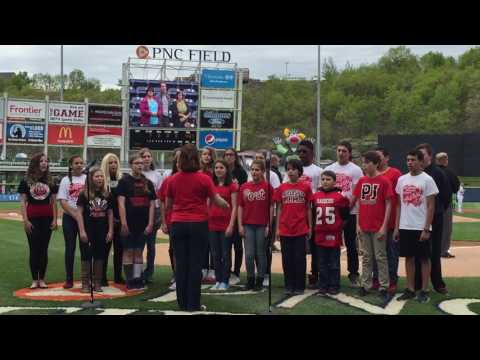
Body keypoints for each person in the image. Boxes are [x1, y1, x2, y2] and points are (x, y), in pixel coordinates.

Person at [166, 144, 229, 312]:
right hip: (199, 224)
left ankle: (182, 302)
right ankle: (193, 304)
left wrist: (169, 222)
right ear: (196, 159)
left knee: (181, 265)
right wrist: (227, 204)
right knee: (195, 266)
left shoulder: (172, 179)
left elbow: (168, 205)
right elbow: (216, 200)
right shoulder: (204, 178)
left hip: (178, 223)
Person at [394, 149, 439, 303]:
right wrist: (396, 227)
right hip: (406, 226)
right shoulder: (401, 180)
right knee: (409, 258)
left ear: (421, 162)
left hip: (421, 227)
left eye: (413, 160)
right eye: (408, 160)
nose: (410, 163)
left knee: (424, 259)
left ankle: (425, 290)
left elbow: (431, 206)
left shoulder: (427, 180)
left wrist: (426, 228)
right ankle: (410, 289)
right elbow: (399, 206)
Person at [352, 151, 393, 301]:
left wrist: (384, 226)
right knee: (367, 257)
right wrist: (357, 224)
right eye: (363, 162)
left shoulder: (384, 181)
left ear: (375, 164)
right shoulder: (362, 181)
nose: (364, 165)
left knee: (381, 257)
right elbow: (358, 203)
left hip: (378, 226)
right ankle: (365, 284)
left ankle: (383, 286)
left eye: (367, 163)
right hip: (364, 225)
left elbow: (389, 204)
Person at [324, 141, 363, 286]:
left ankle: (353, 273)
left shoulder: (356, 170)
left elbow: (355, 193)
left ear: (350, 153)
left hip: (349, 213)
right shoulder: (329, 168)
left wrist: (346, 211)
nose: (341, 153)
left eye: (344, 151)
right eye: (339, 150)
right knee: (330, 243)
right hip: (331, 213)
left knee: (351, 244)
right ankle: (329, 272)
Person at [18, 153, 58, 289]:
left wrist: (55, 219)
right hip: (32, 219)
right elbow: (23, 202)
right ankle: (35, 279)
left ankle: (42, 279)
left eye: (46, 161)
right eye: (41, 161)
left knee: (44, 249)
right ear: (35, 163)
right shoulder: (26, 181)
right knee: (34, 249)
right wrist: (25, 220)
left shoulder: (51, 181)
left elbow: (53, 202)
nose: (44, 163)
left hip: (47, 219)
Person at [117, 155, 156, 290]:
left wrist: (150, 223)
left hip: (143, 224)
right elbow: (121, 204)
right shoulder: (124, 181)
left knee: (139, 252)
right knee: (128, 251)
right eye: (136, 163)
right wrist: (123, 223)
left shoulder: (148, 182)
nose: (139, 165)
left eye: (141, 163)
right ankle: (130, 280)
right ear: (131, 165)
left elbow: (152, 205)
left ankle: (138, 278)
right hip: (128, 223)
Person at [415, 143, 450, 295]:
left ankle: (437, 283)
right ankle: (417, 283)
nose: (420, 158)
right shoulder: (415, 173)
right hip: (418, 218)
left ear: (430, 156)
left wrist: (437, 211)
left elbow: (446, 195)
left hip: (435, 217)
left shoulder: (437, 173)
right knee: (418, 251)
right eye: (418, 155)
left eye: (423, 155)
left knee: (434, 251)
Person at [274, 159, 312, 295]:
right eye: (288, 169)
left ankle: (300, 286)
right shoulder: (282, 188)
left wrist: (310, 227)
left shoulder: (306, 187)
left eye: (293, 169)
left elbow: (308, 208)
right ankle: (288, 285)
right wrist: (278, 228)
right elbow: (279, 208)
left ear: (299, 171)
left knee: (299, 259)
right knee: (287, 259)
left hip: (301, 228)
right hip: (285, 228)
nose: (290, 171)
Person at [238, 159, 274, 290]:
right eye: (252, 169)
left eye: (257, 170)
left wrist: (269, 225)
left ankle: (260, 280)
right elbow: (240, 207)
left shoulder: (267, 187)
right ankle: (250, 279)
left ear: (263, 171)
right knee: (248, 255)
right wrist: (240, 225)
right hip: (248, 224)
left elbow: (271, 207)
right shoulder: (244, 187)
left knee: (260, 253)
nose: (254, 172)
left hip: (261, 225)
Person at [76, 167, 114, 293]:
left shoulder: (107, 194)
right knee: (86, 256)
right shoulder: (84, 194)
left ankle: (97, 282)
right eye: (97, 176)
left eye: (101, 176)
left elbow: (109, 213)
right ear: (91, 178)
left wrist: (110, 231)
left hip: (102, 230)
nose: (100, 178)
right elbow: (79, 213)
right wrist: (81, 231)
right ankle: (85, 283)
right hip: (88, 230)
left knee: (99, 256)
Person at [312, 171, 350, 295]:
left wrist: (337, 228)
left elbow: (345, 217)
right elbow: (312, 215)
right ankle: (323, 285)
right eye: (323, 179)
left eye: (328, 179)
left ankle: (334, 285)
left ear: (334, 181)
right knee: (321, 262)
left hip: (333, 234)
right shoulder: (316, 196)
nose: (325, 181)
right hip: (319, 234)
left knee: (334, 262)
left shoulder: (340, 197)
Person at [371, 147, 402, 293]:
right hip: (375, 221)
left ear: (387, 158)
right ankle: (377, 279)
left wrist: (397, 225)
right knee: (377, 254)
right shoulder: (370, 173)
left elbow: (397, 201)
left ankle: (392, 280)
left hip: (389, 221)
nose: (377, 159)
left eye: (379, 156)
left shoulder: (394, 173)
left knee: (391, 253)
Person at [294, 140, 323, 289]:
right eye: (299, 151)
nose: (301, 154)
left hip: (312, 211)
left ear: (312, 153)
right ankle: (297, 274)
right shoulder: (293, 170)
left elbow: (320, 192)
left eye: (304, 151)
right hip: (296, 213)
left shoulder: (317, 171)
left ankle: (315, 274)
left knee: (315, 245)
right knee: (298, 246)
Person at [208, 159, 239, 291]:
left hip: (226, 224)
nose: (218, 170)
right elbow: (207, 204)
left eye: (221, 167)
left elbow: (235, 207)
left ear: (226, 170)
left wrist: (231, 225)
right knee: (215, 254)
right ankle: (218, 279)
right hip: (212, 224)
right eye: (216, 168)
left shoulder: (232, 186)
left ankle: (225, 280)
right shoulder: (211, 185)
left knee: (226, 254)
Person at [57, 155, 86, 289]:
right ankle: (69, 279)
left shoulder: (87, 179)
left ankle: (86, 278)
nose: (79, 165)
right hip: (70, 217)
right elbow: (63, 201)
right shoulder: (65, 180)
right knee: (70, 248)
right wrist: (75, 214)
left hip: (85, 217)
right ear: (71, 165)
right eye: (76, 163)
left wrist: (81, 215)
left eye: (81, 163)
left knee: (85, 247)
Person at [252, 150, 280, 287]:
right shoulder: (250, 176)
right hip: (253, 216)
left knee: (265, 247)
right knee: (254, 248)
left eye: (261, 158)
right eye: (256, 157)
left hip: (268, 216)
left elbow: (275, 198)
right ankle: (258, 272)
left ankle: (266, 273)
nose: (258, 159)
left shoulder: (273, 176)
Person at [139, 148, 164, 284]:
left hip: (154, 211)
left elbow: (159, 196)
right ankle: (138, 272)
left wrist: (159, 213)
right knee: (139, 244)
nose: (147, 159)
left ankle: (149, 273)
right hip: (139, 211)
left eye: (149, 156)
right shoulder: (137, 174)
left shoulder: (157, 175)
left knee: (151, 245)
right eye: (144, 156)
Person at [223, 148, 248, 285]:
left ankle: (236, 271)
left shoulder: (241, 172)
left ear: (235, 157)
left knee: (238, 244)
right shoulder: (221, 170)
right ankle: (225, 271)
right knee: (225, 245)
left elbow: (244, 191)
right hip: (224, 210)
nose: (228, 157)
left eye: (231, 155)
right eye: (226, 155)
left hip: (238, 209)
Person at [159, 149, 181, 290]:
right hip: (173, 220)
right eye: (178, 160)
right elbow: (162, 202)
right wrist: (163, 221)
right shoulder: (169, 180)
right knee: (174, 249)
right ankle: (177, 275)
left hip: (190, 220)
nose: (180, 163)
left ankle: (187, 276)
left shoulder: (198, 177)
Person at [100, 153, 124, 285]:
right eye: (110, 162)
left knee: (119, 249)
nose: (113, 165)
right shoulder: (101, 180)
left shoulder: (122, 179)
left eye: (115, 162)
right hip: (105, 220)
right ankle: (102, 276)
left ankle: (118, 276)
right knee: (105, 249)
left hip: (120, 219)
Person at [435, 152, 460, 258]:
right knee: (446, 228)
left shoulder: (430, 171)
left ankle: (430, 249)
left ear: (437, 160)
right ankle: (443, 250)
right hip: (445, 204)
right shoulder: (450, 173)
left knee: (429, 227)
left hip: (429, 203)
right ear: (445, 160)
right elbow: (456, 188)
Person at [200, 147, 217, 283]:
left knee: (212, 242)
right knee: (203, 242)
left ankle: (212, 269)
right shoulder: (198, 171)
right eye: (204, 154)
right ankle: (203, 268)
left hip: (213, 208)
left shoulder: (215, 172)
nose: (206, 156)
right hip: (200, 209)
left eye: (209, 154)